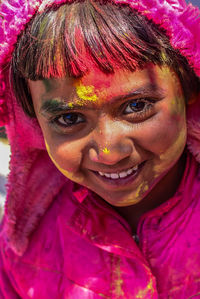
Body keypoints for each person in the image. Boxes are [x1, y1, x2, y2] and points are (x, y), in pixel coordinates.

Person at [0, 0, 200, 297]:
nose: (109, 152)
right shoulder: (25, 248)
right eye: (69, 118)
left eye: (136, 106)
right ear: (35, 126)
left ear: (188, 93)